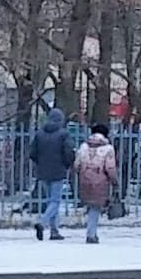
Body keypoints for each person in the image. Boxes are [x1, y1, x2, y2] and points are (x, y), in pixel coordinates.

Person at [30, 101, 81, 240]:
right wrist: (67, 164)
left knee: (50, 200)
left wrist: (40, 164)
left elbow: (32, 153)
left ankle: (54, 231)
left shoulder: (39, 134)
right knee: (55, 201)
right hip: (58, 171)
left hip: (43, 171)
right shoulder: (63, 134)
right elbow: (69, 152)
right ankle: (42, 222)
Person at [73, 126, 122, 244]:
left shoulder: (84, 146)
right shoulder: (108, 148)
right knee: (95, 207)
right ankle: (91, 234)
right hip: (100, 181)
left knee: (91, 205)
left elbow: (76, 165)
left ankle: (91, 231)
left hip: (85, 179)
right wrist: (115, 182)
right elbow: (110, 168)